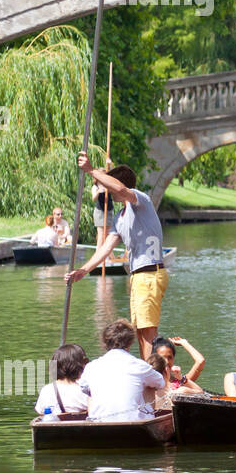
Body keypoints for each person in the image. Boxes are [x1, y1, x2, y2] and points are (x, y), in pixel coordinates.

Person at [64, 154, 169, 361]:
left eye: (109, 186)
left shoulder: (141, 202)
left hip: (150, 274)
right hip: (139, 277)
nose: (109, 192)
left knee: (148, 332)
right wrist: (84, 270)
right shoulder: (120, 218)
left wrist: (92, 171)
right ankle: (148, 373)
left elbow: (121, 189)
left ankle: (153, 379)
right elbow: (104, 248)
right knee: (139, 331)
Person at [77, 320, 167, 422]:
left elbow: (83, 386)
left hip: (100, 423)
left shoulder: (91, 366)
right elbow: (160, 383)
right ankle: (148, 419)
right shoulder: (139, 366)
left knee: (89, 391)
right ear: (130, 342)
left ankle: (94, 420)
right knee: (150, 386)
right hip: (134, 423)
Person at [34, 344, 89, 417]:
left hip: (52, 425)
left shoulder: (46, 390)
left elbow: (41, 413)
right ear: (79, 366)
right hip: (81, 427)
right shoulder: (84, 390)